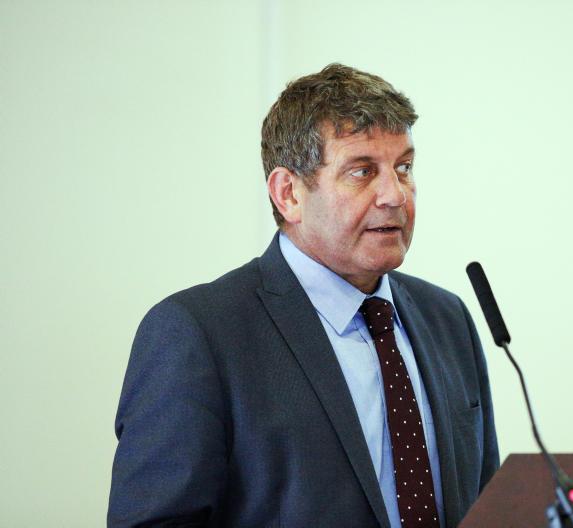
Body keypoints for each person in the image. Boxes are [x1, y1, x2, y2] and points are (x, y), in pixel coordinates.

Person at [108, 63, 499, 528]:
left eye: (404, 168)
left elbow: (486, 504)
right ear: (288, 193)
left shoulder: (448, 318)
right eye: (362, 171)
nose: (395, 195)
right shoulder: (199, 333)